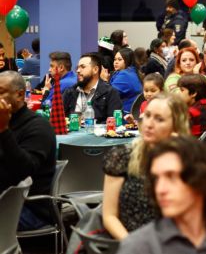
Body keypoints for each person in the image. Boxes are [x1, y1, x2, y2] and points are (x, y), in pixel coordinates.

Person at [102, 92, 190, 240]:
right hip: (130, 244)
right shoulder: (122, 156)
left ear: (176, 126)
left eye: (159, 119)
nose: (149, 124)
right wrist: (134, 245)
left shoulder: (187, 159)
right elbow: (109, 216)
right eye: (147, 115)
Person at [0, 71, 56, 230]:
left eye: (1, 92)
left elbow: (24, 171)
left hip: (28, 209)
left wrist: (3, 130)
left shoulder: (38, 127)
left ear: (19, 95)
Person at [62, 52, 123, 123]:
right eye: (77, 68)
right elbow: (58, 118)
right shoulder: (70, 92)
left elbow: (114, 122)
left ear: (95, 70)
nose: (78, 71)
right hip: (72, 133)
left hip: (98, 133)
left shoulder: (110, 93)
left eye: (83, 67)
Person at [108, 48, 143, 113]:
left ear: (128, 60)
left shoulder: (125, 75)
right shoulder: (133, 72)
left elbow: (109, 95)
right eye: (115, 59)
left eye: (120, 59)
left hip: (124, 115)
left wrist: (103, 80)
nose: (116, 62)